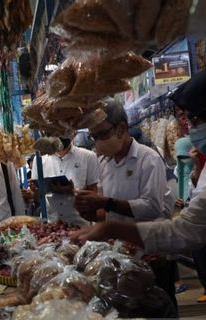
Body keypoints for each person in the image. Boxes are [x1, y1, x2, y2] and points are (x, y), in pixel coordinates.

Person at [71, 62, 206, 317]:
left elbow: (154, 209)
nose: (192, 129)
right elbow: (183, 231)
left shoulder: (149, 159)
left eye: (196, 119)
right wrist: (109, 227)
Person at [74, 99, 177, 308]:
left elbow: (152, 207)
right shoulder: (104, 162)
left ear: (121, 128)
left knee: (157, 308)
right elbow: (107, 212)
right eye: (93, 137)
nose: (97, 143)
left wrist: (105, 203)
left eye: (102, 135)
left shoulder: (148, 159)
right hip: (121, 254)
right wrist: (91, 211)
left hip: (150, 252)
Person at [30, 134, 100, 225]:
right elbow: (38, 198)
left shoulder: (88, 157)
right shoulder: (39, 160)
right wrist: (34, 192)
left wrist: (73, 193)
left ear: (73, 132)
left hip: (80, 223)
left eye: (64, 131)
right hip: (50, 225)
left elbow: (94, 195)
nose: (60, 134)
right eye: (56, 131)